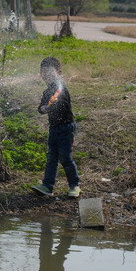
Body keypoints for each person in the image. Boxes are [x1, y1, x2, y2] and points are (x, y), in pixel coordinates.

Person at [32, 57, 80, 197]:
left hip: (66, 128)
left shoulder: (62, 89)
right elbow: (40, 107)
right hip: (53, 129)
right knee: (51, 157)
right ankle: (47, 186)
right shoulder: (47, 92)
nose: (45, 76)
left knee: (65, 158)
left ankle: (74, 186)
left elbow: (61, 105)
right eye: (43, 73)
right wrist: (42, 108)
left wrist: (53, 105)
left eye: (49, 73)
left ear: (58, 72)